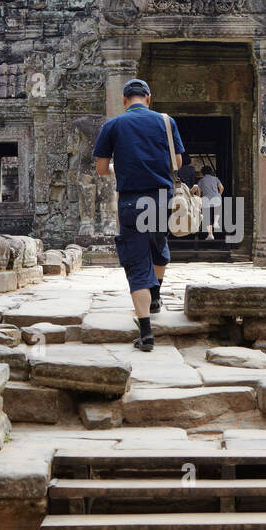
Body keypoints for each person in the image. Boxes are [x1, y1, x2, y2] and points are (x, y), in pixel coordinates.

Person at [93, 79, 184, 352]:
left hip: (131, 201)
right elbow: (177, 163)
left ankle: (146, 334)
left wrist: (120, 168)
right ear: (148, 98)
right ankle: (155, 297)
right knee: (159, 245)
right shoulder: (166, 122)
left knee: (136, 263)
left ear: (124, 100)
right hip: (160, 198)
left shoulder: (112, 126)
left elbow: (100, 168)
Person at [196, 164, 224, 240]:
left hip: (206, 199)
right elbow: (221, 187)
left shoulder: (201, 181)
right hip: (216, 198)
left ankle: (210, 234)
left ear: (202, 173)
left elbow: (199, 192)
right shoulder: (216, 179)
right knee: (217, 211)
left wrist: (199, 199)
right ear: (211, 172)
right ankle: (216, 221)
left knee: (207, 217)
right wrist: (219, 195)